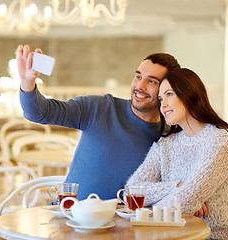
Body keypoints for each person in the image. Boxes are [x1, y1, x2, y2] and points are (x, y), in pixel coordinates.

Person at [16, 44, 181, 201]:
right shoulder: (100, 108)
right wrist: (27, 82)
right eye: (138, 77)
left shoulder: (169, 137)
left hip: (126, 227)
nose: (140, 86)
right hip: (71, 218)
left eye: (151, 81)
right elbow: (39, 113)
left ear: (167, 90)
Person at [126, 68, 228, 239]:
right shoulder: (166, 143)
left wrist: (147, 209)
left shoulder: (219, 140)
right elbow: (131, 191)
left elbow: (184, 202)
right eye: (161, 99)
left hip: (212, 235)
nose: (163, 105)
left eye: (169, 94)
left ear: (189, 94)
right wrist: (177, 187)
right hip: (170, 232)